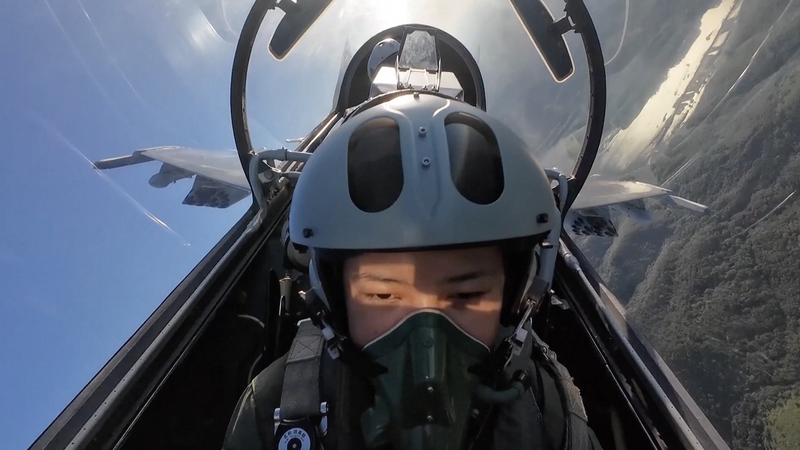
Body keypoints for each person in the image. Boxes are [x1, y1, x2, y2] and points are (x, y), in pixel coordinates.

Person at [222, 92, 603, 450]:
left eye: (467, 295)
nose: (428, 341)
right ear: (334, 305)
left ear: (516, 300)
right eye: (384, 295)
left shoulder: (554, 421)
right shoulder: (272, 414)